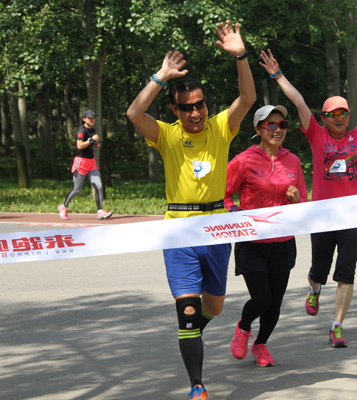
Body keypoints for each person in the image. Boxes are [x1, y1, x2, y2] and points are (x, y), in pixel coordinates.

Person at [126, 21, 256, 400]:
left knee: (213, 306)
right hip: (178, 231)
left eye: (200, 105)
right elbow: (134, 113)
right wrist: (160, 76)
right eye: (188, 108)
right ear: (175, 109)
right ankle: (197, 386)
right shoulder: (166, 134)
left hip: (217, 228)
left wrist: (241, 56)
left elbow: (246, 99)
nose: (196, 113)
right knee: (186, 313)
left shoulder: (220, 127)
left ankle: (193, 333)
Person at [259, 48, 357, 348]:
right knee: (320, 268)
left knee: (347, 270)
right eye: (333, 114)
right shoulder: (316, 135)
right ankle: (314, 288)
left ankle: (337, 326)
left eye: (344, 113)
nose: (339, 119)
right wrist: (277, 75)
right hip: (323, 215)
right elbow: (299, 101)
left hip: (355, 216)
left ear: (349, 116)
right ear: (324, 118)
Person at [225, 105, 307, 367]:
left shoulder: (292, 160)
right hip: (252, 242)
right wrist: (234, 211)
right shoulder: (243, 160)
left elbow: (303, 200)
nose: (277, 130)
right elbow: (224, 195)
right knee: (262, 299)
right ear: (259, 128)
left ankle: (261, 345)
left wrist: (295, 199)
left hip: (283, 242)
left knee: (274, 304)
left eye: (282, 125)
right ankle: (243, 326)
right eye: (271, 125)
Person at [58, 109, 113, 221]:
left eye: (93, 117)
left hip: (91, 162)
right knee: (77, 189)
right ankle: (63, 207)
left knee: (99, 186)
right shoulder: (81, 131)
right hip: (81, 162)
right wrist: (91, 140)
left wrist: (95, 144)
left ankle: (100, 211)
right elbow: (79, 146)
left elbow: (89, 144)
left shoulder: (92, 130)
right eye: (89, 118)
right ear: (84, 119)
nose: (92, 120)